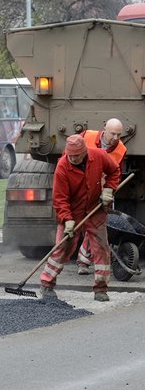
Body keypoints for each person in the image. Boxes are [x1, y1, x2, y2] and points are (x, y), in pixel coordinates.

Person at [40, 134, 120, 302]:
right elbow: (60, 199)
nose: (74, 158)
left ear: (85, 152)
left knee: (101, 248)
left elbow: (114, 171)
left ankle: (101, 289)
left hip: (95, 208)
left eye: (77, 155)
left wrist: (108, 189)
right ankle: (47, 284)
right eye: (71, 155)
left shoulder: (98, 156)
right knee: (63, 247)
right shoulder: (62, 167)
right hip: (72, 212)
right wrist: (67, 220)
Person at [76, 118, 127, 275]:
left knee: (96, 225)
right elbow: (69, 157)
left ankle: (83, 260)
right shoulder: (86, 136)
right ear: (104, 129)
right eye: (113, 134)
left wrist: (109, 191)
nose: (116, 138)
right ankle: (81, 259)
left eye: (119, 135)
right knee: (75, 225)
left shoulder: (120, 149)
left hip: (100, 192)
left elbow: (116, 173)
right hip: (79, 188)